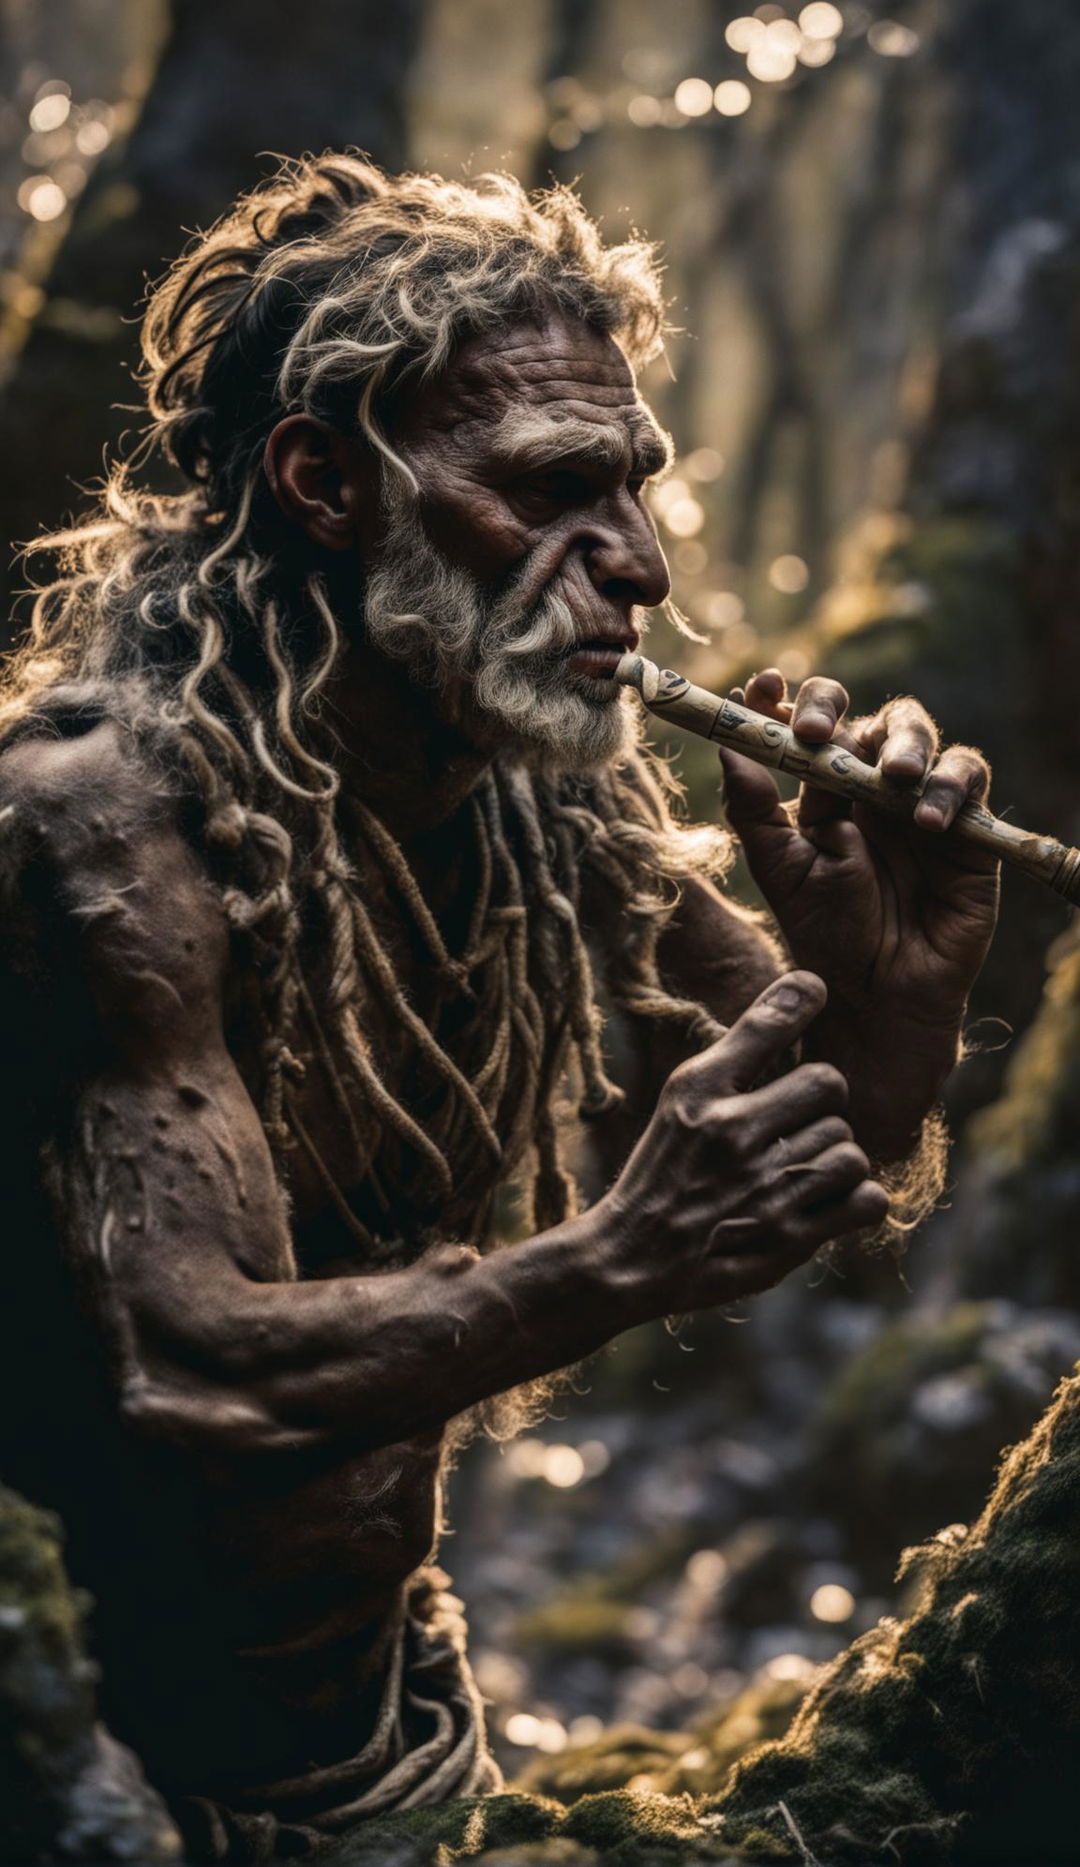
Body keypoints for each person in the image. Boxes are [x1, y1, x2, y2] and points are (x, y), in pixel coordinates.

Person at [0, 154, 998, 1860]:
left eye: (635, 491)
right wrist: (612, 1262)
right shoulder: (108, 821)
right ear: (326, 483)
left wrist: (896, 991)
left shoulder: (550, 798)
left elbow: (826, 1163)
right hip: (82, 1763)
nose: (636, 573)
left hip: (392, 1731)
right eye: (551, 491)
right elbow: (185, 1379)